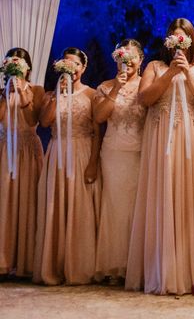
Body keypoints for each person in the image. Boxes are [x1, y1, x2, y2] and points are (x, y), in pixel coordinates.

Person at [125, 18, 194, 295]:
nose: (178, 41)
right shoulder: (155, 67)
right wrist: (169, 75)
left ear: (191, 41)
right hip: (162, 141)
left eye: (184, 37)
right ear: (168, 41)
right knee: (164, 197)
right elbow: (144, 99)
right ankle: (164, 269)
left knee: (192, 200)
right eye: (174, 37)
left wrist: (188, 74)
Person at [33, 47, 100, 285]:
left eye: (74, 65)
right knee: (56, 205)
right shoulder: (52, 94)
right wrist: (58, 96)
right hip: (57, 153)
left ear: (83, 68)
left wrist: (93, 162)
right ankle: (55, 265)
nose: (70, 69)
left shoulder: (92, 94)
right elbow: (44, 121)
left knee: (79, 206)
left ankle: (79, 266)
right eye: (65, 64)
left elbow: (97, 131)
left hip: (82, 151)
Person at [94, 39, 147, 283]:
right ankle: (115, 266)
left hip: (140, 153)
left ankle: (136, 265)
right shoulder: (105, 86)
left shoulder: (147, 87)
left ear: (141, 59)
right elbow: (99, 117)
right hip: (113, 152)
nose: (127, 61)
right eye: (122, 56)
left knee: (138, 208)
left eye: (132, 56)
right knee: (115, 208)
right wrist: (116, 88)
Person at [0, 48, 45, 278]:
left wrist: (23, 96)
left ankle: (26, 262)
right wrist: (6, 94)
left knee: (28, 201)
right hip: (6, 149)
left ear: (27, 67)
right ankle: (4, 260)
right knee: (5, 202)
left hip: (28, 149)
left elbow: (33, 120)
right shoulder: (2, 91)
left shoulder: (36, 89)